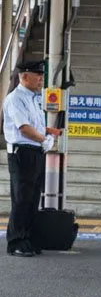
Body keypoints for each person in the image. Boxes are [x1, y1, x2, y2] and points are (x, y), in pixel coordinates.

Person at [2, 60, 61, 257]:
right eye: (38, 76)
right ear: (25, 77)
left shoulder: (34, 98)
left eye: (42, 76)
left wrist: (48, 131)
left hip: (35, 152)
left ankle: (27, 239)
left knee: (33, 197)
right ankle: (15, 241)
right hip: (22, 153)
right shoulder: (16, 98)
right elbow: (24, 128)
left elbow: (34, 125)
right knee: (21, 198)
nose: (40, 80)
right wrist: (45, 139)